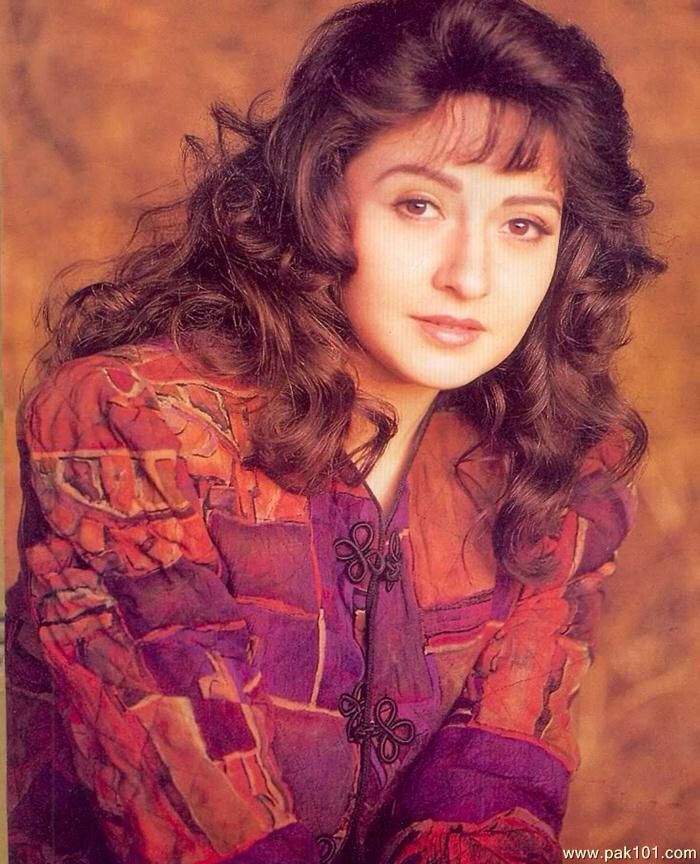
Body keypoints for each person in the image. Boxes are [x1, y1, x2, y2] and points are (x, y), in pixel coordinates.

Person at [6, 0, 665, 862]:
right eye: (420, 206)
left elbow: (490, 800)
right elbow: (201, 824)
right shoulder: (135, 426)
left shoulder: (556, 474)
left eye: (522, 224)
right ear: (323, 200)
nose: (471, 274)